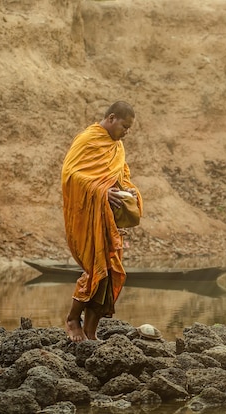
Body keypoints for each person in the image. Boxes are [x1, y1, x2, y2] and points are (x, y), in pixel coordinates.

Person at [61, 101, 143, 342]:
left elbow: (121, 176)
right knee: (95, 269)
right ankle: (72, 319)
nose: (126, 132)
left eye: (129, 128)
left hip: (109, 218)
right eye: (124, 126)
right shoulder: (88, 139)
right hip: (88, 215)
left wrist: (130, 192)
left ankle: (91, 331)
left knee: (111, 271)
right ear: (112, 118)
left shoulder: (117, 147)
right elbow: (70, 174)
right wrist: (100, 191)